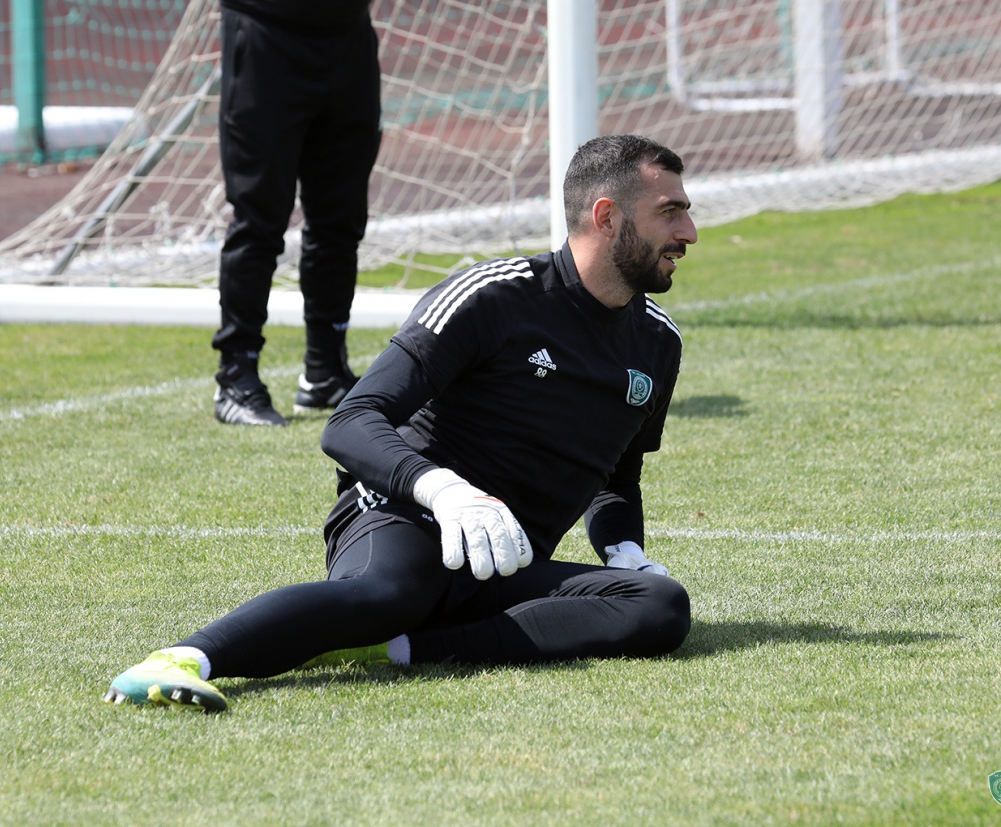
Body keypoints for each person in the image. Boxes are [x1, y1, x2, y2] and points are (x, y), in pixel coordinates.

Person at [105, 134, 698, 712]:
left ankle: (400, 650)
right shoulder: (495, 297)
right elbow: (351, 420)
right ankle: (181, 660)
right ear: (606, 217)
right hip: (404, 518)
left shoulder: (658, 342)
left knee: (658, 605)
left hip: (502, 557)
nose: (689, 233)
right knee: (387, 596)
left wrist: (624, 550)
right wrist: (446, 492)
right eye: (670, 212)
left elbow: (617, 478)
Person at [211, 0, 383, 426]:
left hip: (349, 38)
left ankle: (325, 370)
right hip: (267, 36)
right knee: (259, 217)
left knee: (341, 218)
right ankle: (236, 374)